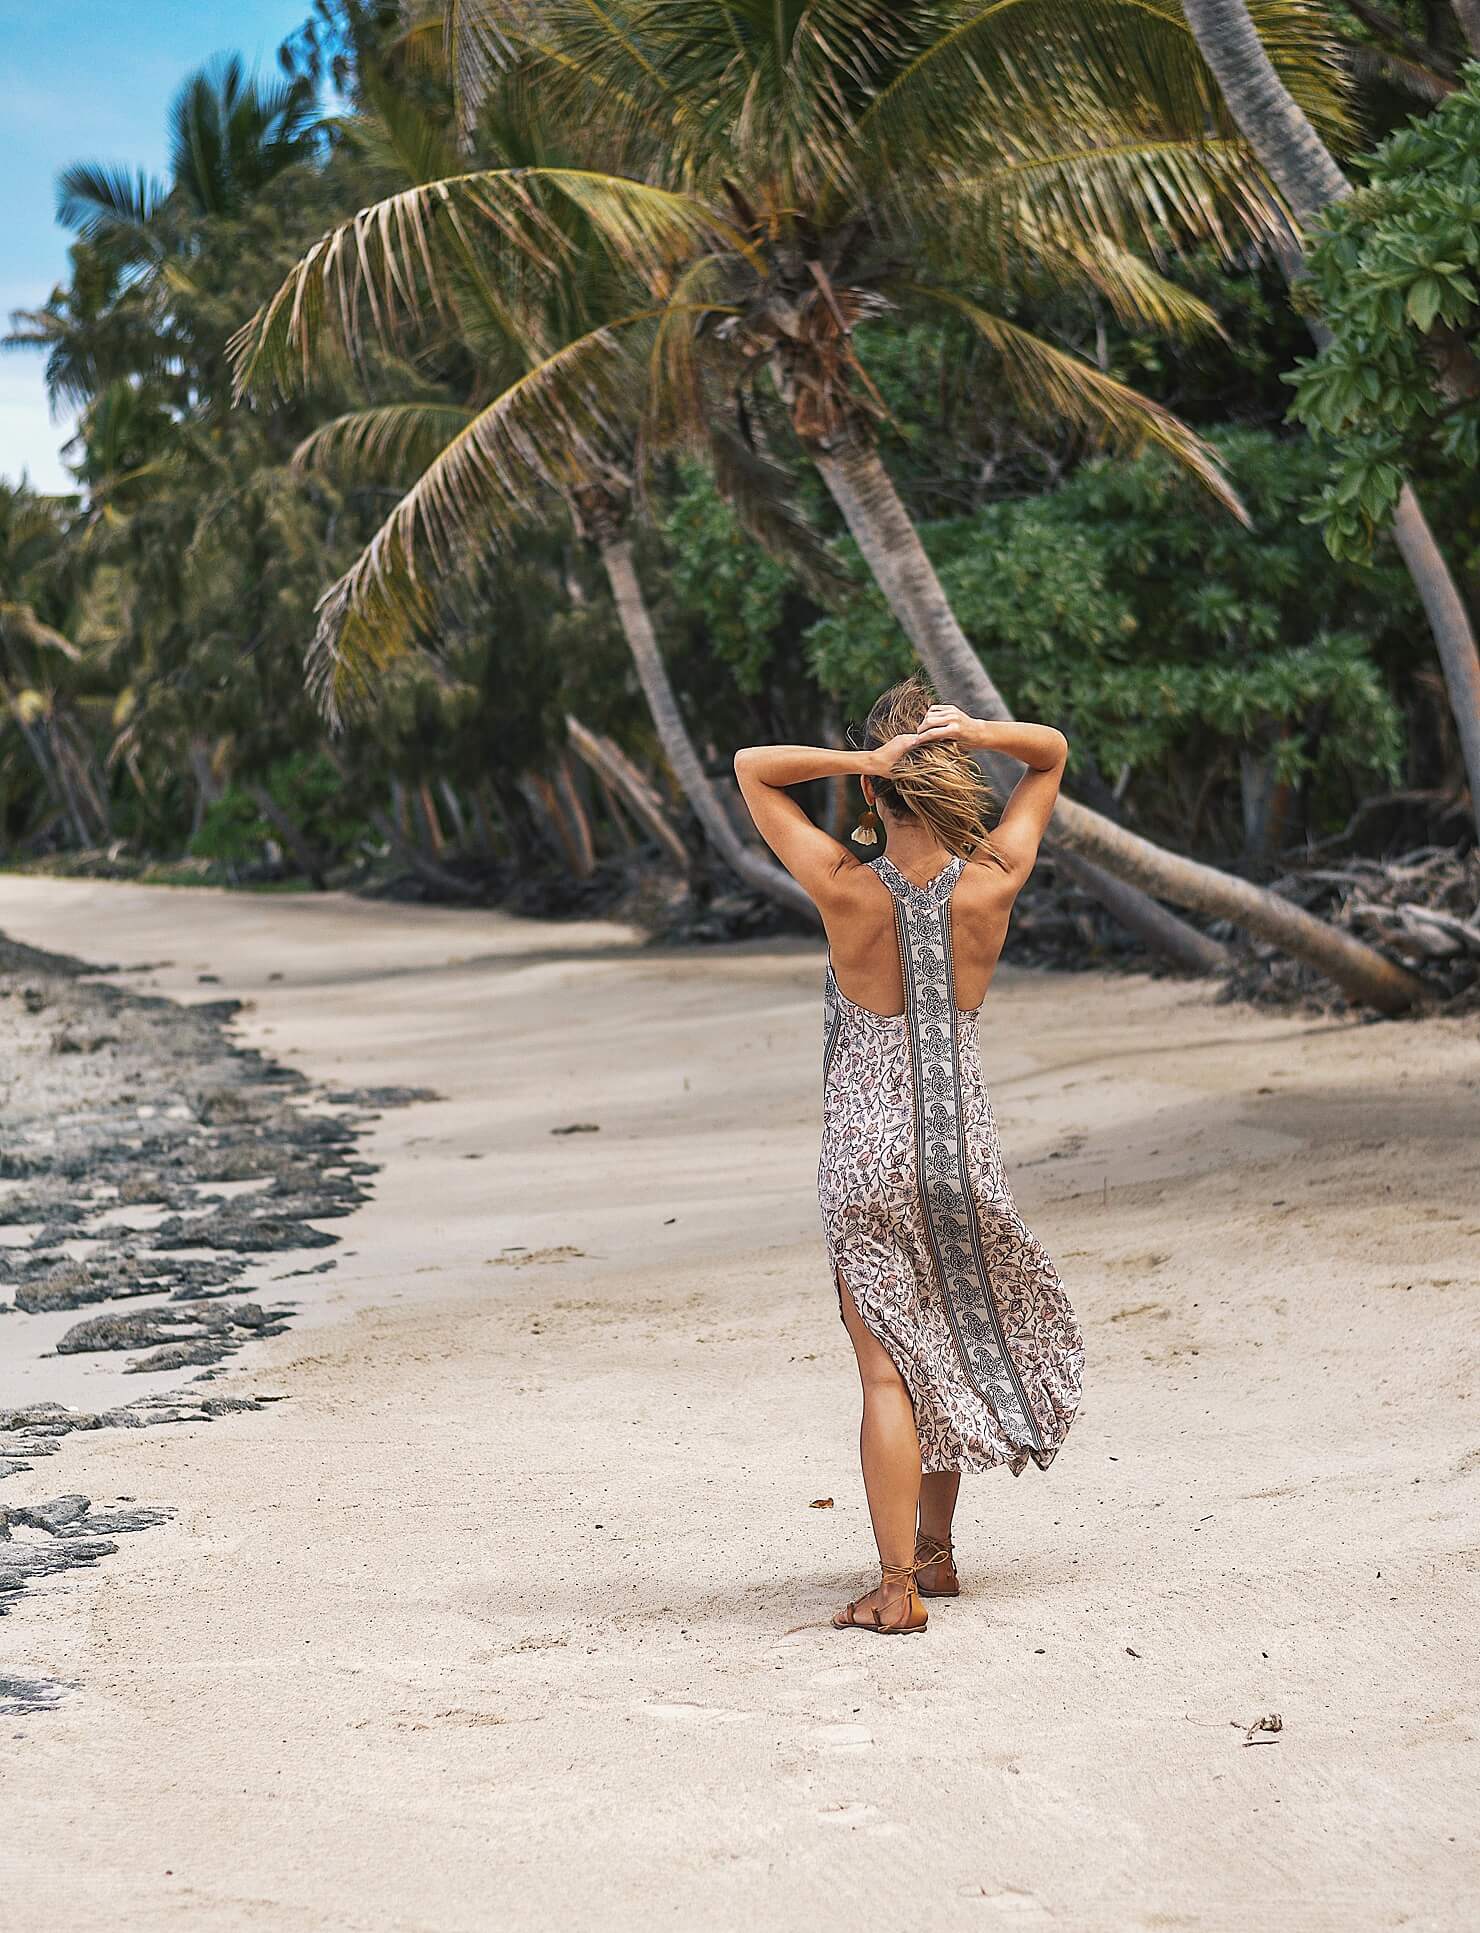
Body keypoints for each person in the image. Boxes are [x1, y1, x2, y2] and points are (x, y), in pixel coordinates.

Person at [734, 675, 1084, 1636]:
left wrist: (860, 758)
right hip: (959, 1152)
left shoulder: (844, 887)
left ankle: (897, 1588)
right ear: (950, 783)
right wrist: (973, 732)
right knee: (940, 1352)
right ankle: (937, 1554)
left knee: (888, 1373)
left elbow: (751, 772)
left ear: (874, 799)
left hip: (864, 1155)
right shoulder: (994, 880)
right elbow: (1049, 748)